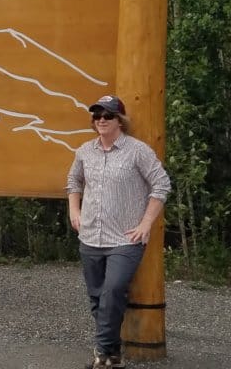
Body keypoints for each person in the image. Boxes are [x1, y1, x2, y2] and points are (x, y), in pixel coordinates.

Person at [66, 95, 172, 369]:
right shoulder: (84, 152)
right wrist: (74, 211)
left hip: (125, 240)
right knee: (97, 298)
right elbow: (73, 181)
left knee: (112, 291)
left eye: (107, 115)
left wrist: (146, 224)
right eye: (97, 115)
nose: (101, 120)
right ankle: (114, 356)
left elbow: (161, 185)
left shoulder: (137, 151)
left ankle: (101, 355)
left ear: (119, 120)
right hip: (90, 236)